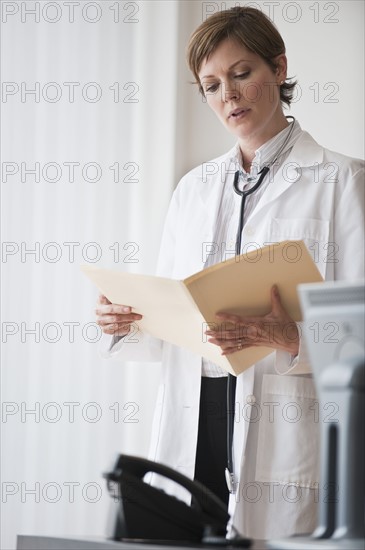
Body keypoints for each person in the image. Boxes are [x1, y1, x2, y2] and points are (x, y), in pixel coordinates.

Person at [95, 7, 364, 540]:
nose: (229, 96)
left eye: (241, 74)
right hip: (195, 420)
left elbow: (358, 337)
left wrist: (287, 335)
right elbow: (171, 319)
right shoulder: (192, 189)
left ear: (279, 68)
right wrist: (127, 321)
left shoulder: (343, 182)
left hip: (285, 423)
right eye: (211, 84)